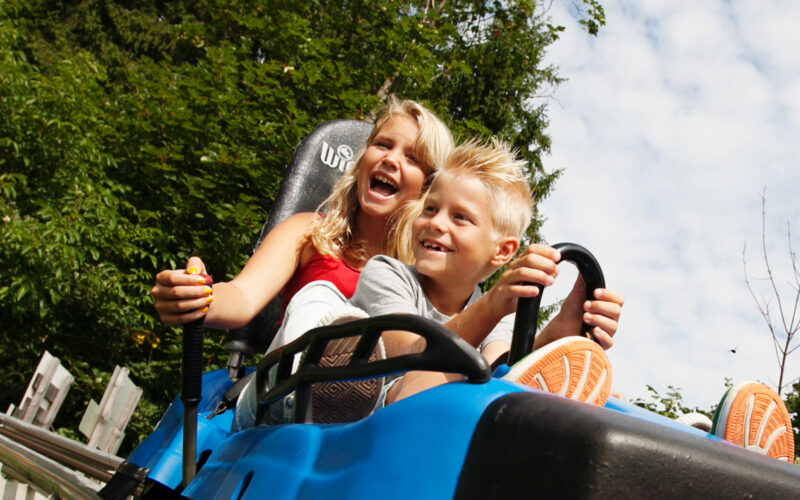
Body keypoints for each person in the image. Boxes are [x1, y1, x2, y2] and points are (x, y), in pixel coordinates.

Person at [347, 138, 624, 407]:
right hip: (374, 416)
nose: (436, 223)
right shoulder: (386, 273)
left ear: (502, 252)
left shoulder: (503, 316)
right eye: (430, 209)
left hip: (453, 427)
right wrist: (491, 306)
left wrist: (559, 334)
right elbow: (413, 351)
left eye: (459, 217)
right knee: (436, 381)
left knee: (498, 382)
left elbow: (505, 370)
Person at [150, 97, 454, 333]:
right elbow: (242, 296)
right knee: (319, 298)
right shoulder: (307, 233)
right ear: (363, 160)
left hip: (380, 405)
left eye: (412, 158)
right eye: (382, 145)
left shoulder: (427, 274)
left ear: (429, 187)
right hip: (292, 387)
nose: (390, 159)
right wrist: (200, 298)